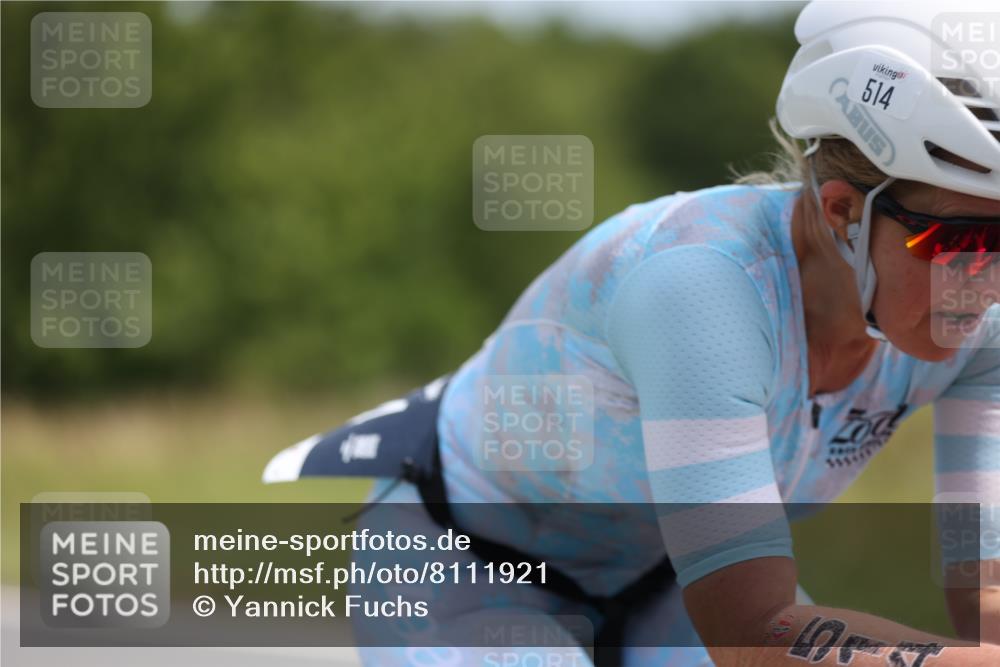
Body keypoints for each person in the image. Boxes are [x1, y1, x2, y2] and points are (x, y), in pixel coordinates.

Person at [265, 1, 999, 665]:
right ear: (842, 212)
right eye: (962, 241)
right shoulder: (704, 287)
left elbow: (984, 587)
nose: (990, 280)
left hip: (661, 584)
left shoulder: (981, 331)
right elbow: (754, 627)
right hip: (466, 565)